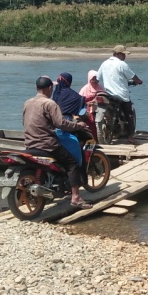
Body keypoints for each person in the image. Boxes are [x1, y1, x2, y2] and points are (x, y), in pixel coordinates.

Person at [23, 76, 93, 208]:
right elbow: (61, 123)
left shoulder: (27, 102)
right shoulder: (49, 103)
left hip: (29, 143)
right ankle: (76, 198)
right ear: (50, 88)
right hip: (47, 144)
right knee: (72, 164)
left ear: (36, 88)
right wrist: (78, 125)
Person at [97, 45, 142, 145]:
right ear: (117, 54)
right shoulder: (122, 64)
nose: (125, 56)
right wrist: (139, 81)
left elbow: (97, 77)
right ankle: (130, 137)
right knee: (129, 114)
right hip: (121, 95)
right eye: (123, 54)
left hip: (108, 94)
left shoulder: (104, 63)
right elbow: (133, 76)